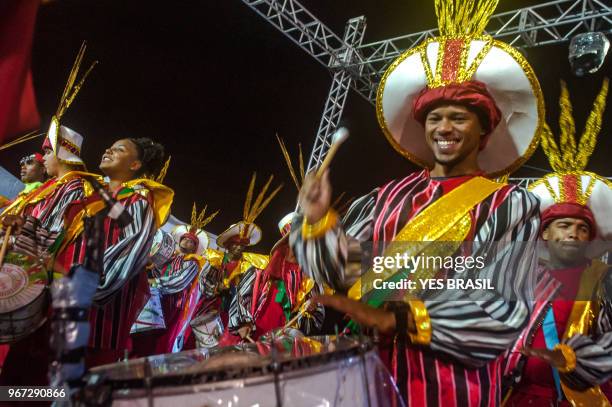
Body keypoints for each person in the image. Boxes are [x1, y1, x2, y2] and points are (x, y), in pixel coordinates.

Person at [290, 0, 544, 405]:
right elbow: (343, 273)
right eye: (434, 117)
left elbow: (503, 305)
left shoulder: (511, 205)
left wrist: (403, 318)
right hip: (368, 374)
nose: (444, 127)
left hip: (449, 385)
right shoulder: (385, 197)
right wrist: (320, 222)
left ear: (484, 130)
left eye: (459, 117)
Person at [503, 79, 612, 406]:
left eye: (582, 229)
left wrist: (581, 361)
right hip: (514, 394)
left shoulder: (601, 282)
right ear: (545, 234)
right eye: (564, 225)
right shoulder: (520, 275)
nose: (573, 234)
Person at [56, 137, 173, 367]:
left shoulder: (135, 200)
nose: (108, 149)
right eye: (110, 145)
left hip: (95, 314)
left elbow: (130, 249)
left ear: (135, 165)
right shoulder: (93, 195)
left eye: (119, 149)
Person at [199, 173, 281, 342]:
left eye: (242, 245)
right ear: (228, 245)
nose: (239, 247)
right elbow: (203, 284)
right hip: (212, 311)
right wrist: (216, 289)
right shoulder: (216, 260)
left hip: (237, 314)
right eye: (235, 244)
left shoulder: (249, 263)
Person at [132, 203, 215, 355]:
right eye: (185, 239)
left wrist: (155, 282)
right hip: (157, 296)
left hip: (174, 302)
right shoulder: (170, 255)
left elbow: (179, 281)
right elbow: (156, 269)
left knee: (159, 336)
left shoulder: (193, 262)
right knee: (143, 332)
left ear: (195, 247)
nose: (187, 243)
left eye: (192, 242)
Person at [229, 212, 325, 341]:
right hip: (255, 337)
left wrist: (312, 309)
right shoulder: (260, 268)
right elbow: (241, 298)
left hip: (285, 343)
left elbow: (317, 312)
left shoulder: (311, 277)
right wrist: (242, 323)